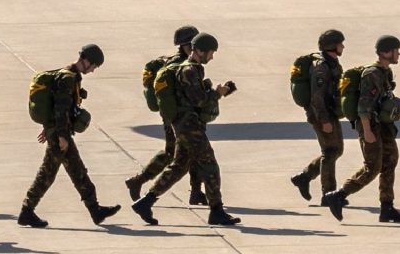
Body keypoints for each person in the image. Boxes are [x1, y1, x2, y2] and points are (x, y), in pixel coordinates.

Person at [130, 32, 240, 227]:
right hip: (189, 126)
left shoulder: (191, 69)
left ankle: (145, 202)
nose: (212, 57)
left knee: (179, 167)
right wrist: (217, 93)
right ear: (199, 51)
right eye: (210, 53)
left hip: (184, 125)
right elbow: (199, 101)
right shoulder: (189, 70)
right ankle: (217, 211)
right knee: (210, 165)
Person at [20, 44, 117, 228]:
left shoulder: (68, 75)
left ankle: (95, 210)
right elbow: (61, 108)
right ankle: (27, 210)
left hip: (56, 131)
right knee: (50, 174)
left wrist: (48, 127)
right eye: (94, 66)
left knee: (74, 171)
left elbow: (56, 107)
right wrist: (61, 136)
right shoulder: (68, 78)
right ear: (86, 61)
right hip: (59, 134)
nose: (94, 70)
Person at [325, 35, 400, 223]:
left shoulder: (385, 72)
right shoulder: (372, 74)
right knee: (372, 167)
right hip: (370, 126)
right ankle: (338, 195)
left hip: (384, 126)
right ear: (386, 52)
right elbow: (364, 106)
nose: (399, 54)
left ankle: (387, 206)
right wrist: (367, 131)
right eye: (396, 50)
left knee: (390, 160)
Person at [288, 30, 348, 203]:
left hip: (329, 112)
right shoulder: (321, 67)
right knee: (330, 151)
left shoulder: (332, 62)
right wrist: (324, 120)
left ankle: (304, 177)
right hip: (321, 114)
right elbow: (316, 96)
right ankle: (328, 194)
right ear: (332, 46)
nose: (342, 46)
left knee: (336, 150)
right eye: (340, 44)